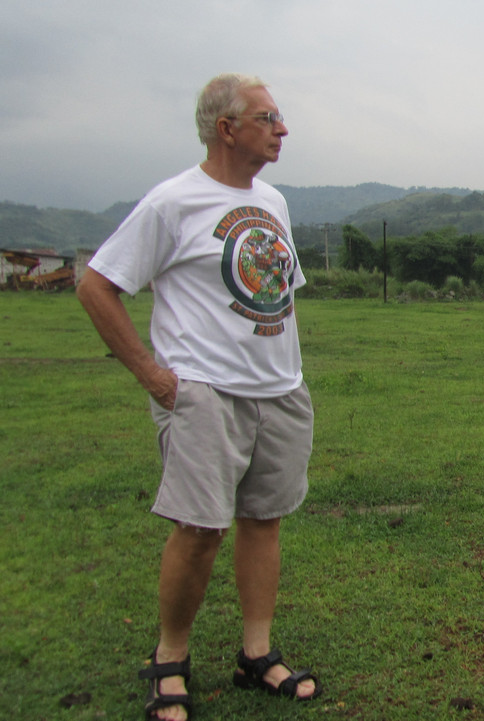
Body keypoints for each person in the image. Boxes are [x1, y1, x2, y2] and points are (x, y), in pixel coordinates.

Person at [77, 73, 320, 721]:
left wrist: (286, 371)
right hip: (205, 394)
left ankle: (255, 654)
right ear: (226, 128)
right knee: (200, 529)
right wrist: (154, 376)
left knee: (264, 519)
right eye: (267, 118)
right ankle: (170, 659)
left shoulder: (273, 201)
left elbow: (277, 290)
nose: (282, 129)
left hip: (279, 390)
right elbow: (97, 285)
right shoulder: (173, 202)